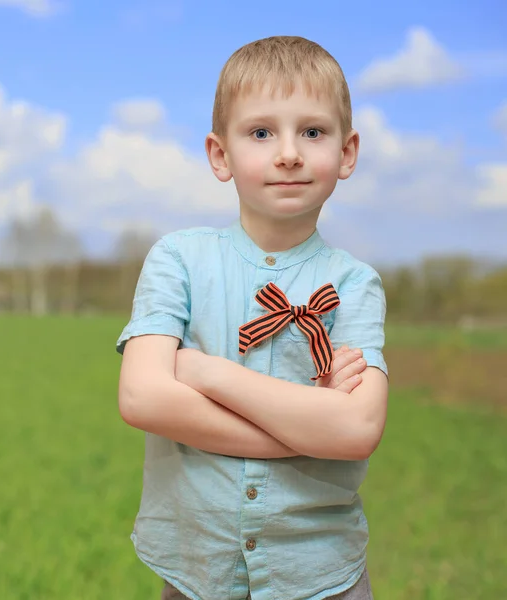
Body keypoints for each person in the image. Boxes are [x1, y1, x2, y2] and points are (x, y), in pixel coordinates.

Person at [116, 35, 388, 600]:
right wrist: (307, 427)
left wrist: (206, 374)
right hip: (197, 574)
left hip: (322, 574)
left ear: (347, 152)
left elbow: (357, 429)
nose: (288, 152)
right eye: (261, 132)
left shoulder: (355, 284)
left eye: (312, 131)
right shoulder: (178, 259)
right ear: (221, 155)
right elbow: (143, 399)